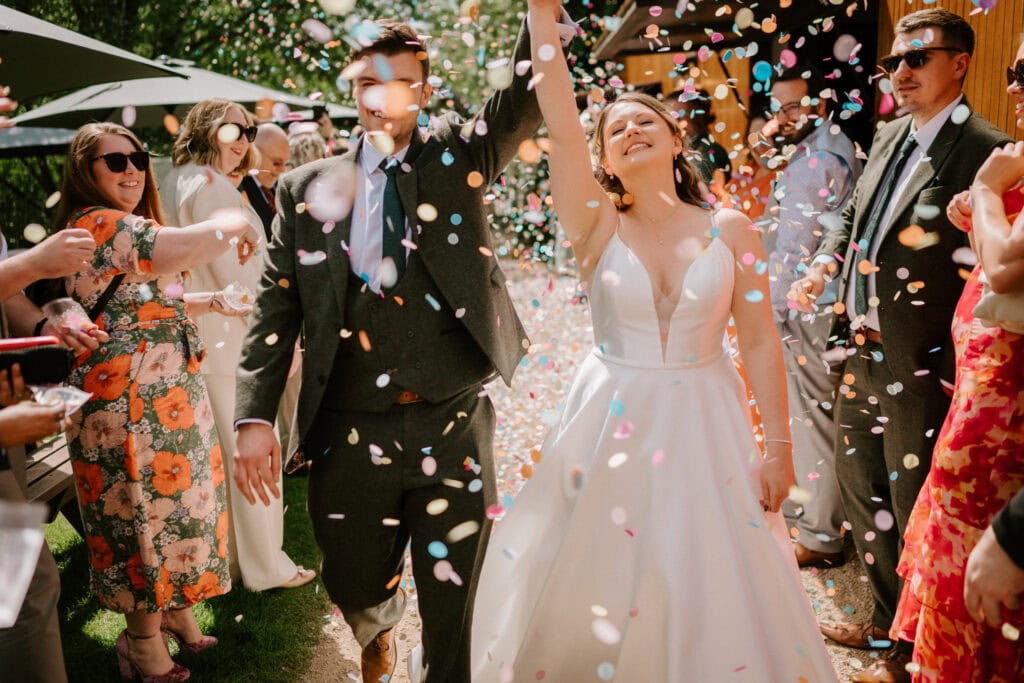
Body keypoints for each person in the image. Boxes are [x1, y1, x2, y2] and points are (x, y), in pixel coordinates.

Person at [470, 2, 837, 680]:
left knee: (710, 569)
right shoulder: (595, 223)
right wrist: (540, 17)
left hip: (710, 423)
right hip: (611, 416)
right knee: (602, 564)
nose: (630, 129)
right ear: (604, 159)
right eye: (614, 128)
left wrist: (778, 450)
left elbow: (759, 341)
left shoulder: (733, 229)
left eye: (645, 120)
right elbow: (557, 113)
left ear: (675, 139)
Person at [232, 13, 573, 682]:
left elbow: (525, 92)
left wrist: (537, 15)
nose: (382, 95)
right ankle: (377, 622)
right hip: (348, 425)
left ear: (422, 91)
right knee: (354, 579)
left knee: (457, 599)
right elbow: (278, 304)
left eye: (399, 81)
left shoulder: (457, 157)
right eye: (368, 81)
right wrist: (253, 416)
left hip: (453, 419)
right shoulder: (303, 192)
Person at [787, 8, 1011, 679]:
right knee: (861, 492)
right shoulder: (886, 132)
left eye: (917, 58)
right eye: (893, 62)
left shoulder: (984, 148)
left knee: (912, 499)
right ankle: (888, 628)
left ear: (960, 63)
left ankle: (920, 649)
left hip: (920, 361)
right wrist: (828, 259)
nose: (901, 73)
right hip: (857, 343)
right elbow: (854, 212)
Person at [56, 121, 259, 680]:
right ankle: (142, 643)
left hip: (162, 395)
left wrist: (210, 299)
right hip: (125, 406)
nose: (132, 170)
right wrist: (235, 219)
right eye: (114, 161)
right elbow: (183, 248)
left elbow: (150, 297)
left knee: (175, 510)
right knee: (140, 517)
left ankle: (176, 615)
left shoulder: (128, 223)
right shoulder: (99, 222)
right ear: (86, 171)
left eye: (138, 157)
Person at [889, 50, 1024, 680]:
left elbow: (1006, 268)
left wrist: (989, 193)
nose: (1018, 86)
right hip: (975, 399)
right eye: (1016, 71)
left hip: (1005, 429)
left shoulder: (994, 157)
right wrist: (979, 213)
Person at [160, 100, 315, 594]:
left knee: (224, 463)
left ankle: (231, 564)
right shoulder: (208, 188)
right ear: (208, 128)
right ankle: (268, 567)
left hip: (205, 341)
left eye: (249, 129)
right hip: (235, 343)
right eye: (235, 128)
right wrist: (280, 332)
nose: (246, 138)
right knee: (254, 454)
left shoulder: (178, 178)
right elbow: (238, 276)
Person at [763, 64, 861, 568]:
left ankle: (820, 536)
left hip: (805, 308)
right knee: (822, 418)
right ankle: (823, 524)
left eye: (794, 106)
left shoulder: (815, 160)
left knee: (811, 421)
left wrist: (769, 312)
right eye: (777, 108)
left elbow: (791, 248)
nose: (783, 118)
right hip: (823, 304)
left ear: (821, 104)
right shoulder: (833, 147)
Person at [665, 86, 731, 198]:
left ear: (697, 118)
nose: (672, 124)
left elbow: (702, 197)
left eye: (679, 118)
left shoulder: (709, 152)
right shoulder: (677, 149)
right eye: (668, 118)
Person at [240, 123, 290, 239]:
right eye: (277, 162)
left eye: (286, 163)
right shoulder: (239, 187)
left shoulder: (281, 188)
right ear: (255, 152)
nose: (282, 169)